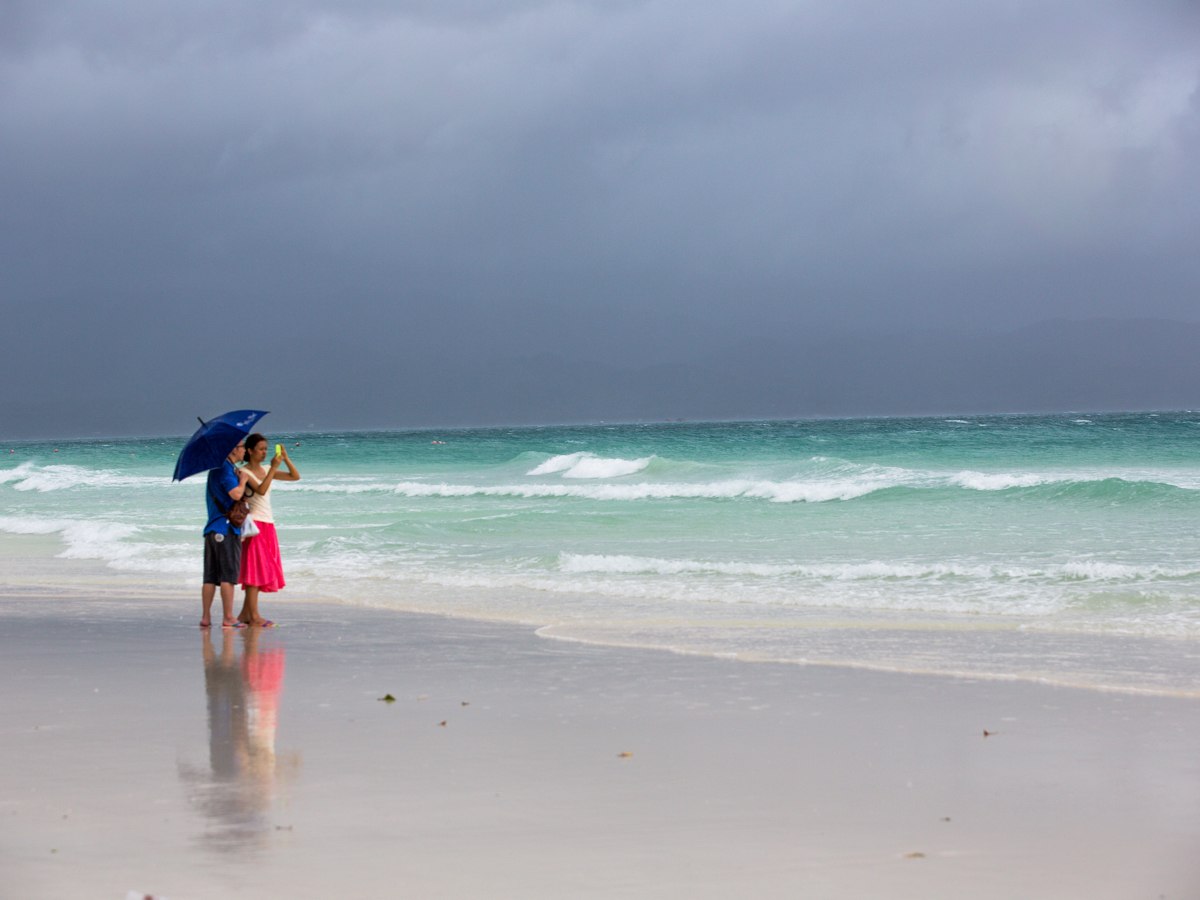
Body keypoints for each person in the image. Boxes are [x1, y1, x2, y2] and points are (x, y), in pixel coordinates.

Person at [237, 434, 301, 627]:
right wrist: (273, 468)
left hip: (268, 523)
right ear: (250, 451)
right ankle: (254, 616)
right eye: (261, 449)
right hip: (255, 524)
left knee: (258, 568)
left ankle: (244, 615)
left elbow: (295, 477)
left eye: (266, 449)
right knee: (254, 570)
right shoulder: (243, 472)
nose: (265, 452)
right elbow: (261, 490)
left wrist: (286, 459)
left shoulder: (266, 469)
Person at [201, 441, 252, 628]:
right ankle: (228, 617)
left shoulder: (216, 469)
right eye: (242, 446)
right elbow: (236, 494)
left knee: (209, 577)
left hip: (212, 529)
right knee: (227, 577)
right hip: (227, 529)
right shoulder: (225, 468)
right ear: (233, 449)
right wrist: (243, 480)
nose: (245, 450)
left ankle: (206, 617)